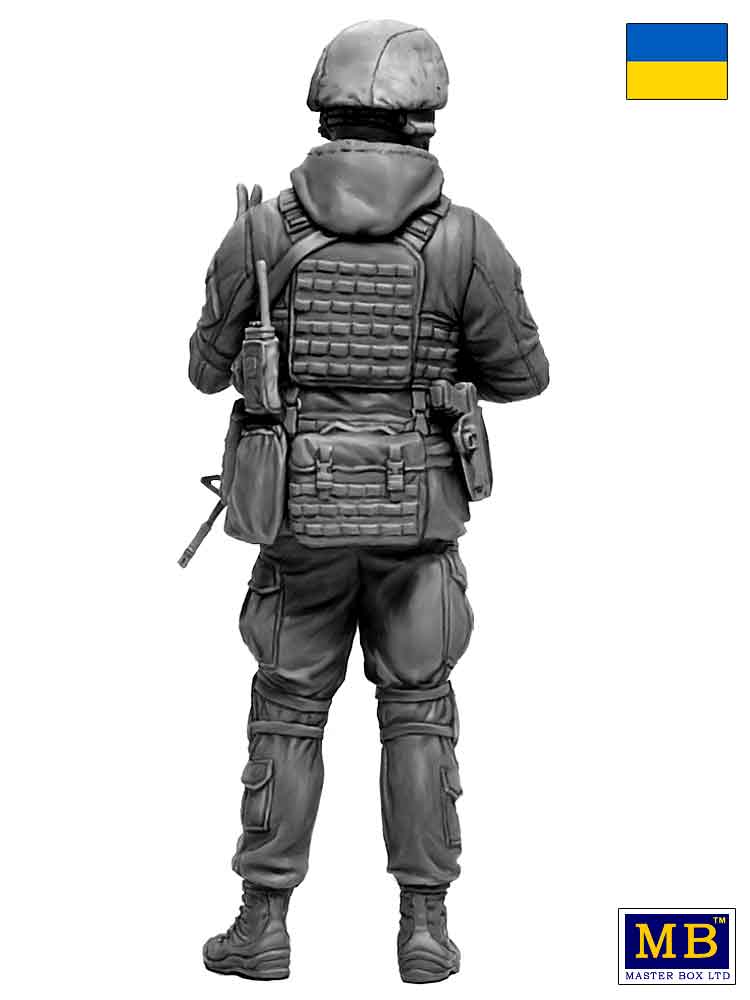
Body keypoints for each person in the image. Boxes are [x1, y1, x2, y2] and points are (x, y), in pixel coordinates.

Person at [188, 19, 549, 983]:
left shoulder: (263, 231)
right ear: (425, 117)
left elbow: (203, 369)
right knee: (420, 714)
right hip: (417, 524)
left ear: (325, 109)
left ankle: (263, 926)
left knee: (286, 714)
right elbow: (525, 377)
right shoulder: (464, 238)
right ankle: (424, 929)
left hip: (297, 520)